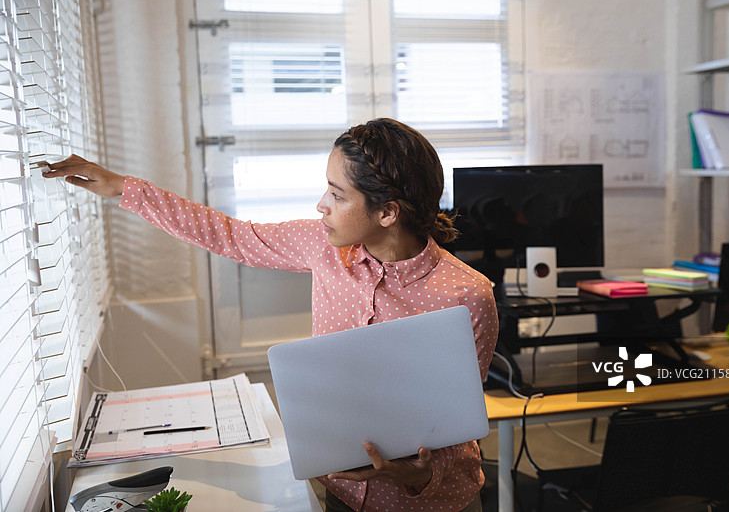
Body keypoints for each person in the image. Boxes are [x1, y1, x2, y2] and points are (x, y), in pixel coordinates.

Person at [44, 118, 498, 512]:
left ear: (388, 212)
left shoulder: (468, 296)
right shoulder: (325, 248)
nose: (322, 204)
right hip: (339, 491)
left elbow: (455, 427)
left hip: (434, 503)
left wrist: (414, 476)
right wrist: (125, 188)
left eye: (337, 195)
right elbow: (229, 235)